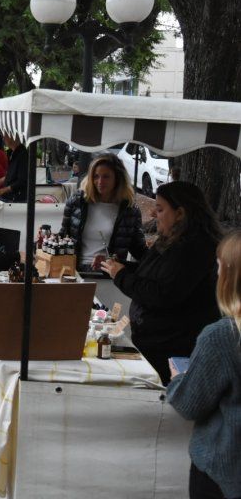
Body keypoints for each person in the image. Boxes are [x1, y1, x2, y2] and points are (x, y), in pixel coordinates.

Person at [102, 181, 222, 384]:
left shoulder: (195, 248)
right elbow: (148, 273)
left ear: (181, 213)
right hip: (155, 341)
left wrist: (121, 275)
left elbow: (162, 293)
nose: (153, 215)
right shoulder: (171, 239)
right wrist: (118, 266)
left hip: (173, 346)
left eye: (159, 209)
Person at [166, 230, 241, 499]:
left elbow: (189, 403)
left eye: (220, 266)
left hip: (223, 471)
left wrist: (178, 378)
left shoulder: (223, 336)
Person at [59, 153, 146, 270]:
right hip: (75, 272)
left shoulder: (130, 210)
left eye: (106, 176)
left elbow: (138, 249)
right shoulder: (76, 201)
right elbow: (63, 236)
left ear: (118, 178)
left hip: (110, 274)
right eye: (96, 176)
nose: (100, 181)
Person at [0, 134, 28, 203]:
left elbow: (21, 181)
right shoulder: (12, 153)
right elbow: (9, 177)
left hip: (16, 199)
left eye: (5, 135)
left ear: (13, 136)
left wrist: (1, 191)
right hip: (9, 197)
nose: (3, 138)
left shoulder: (23, 154)